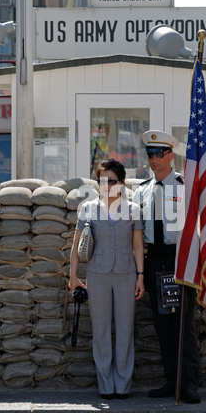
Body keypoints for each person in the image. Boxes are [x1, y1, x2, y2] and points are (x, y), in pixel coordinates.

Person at [133, 130, 200, 404]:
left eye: (159, 154)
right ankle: (171, 381)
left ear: (171, 155)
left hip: (179, 259)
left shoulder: (184, 187)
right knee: (162, 326)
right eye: (150, 154)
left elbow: (195, 228)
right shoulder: (142, 190)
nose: (153, 160)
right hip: (154, 260)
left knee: (184, 324)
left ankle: (188, 384)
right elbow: (137, 231)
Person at [69, 159, 145, 400]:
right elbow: (76, 246)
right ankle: (105, 385)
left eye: (111, 181)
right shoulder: (88, 208)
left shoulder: (133, 209)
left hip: (126, 275)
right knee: (100, 331)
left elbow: (137, 246)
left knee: (125, 331)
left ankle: (123, 385)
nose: (106, 185)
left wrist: (140, 277)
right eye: (102, 181)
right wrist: (73, 277)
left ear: (121, 183)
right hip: (97, 276)